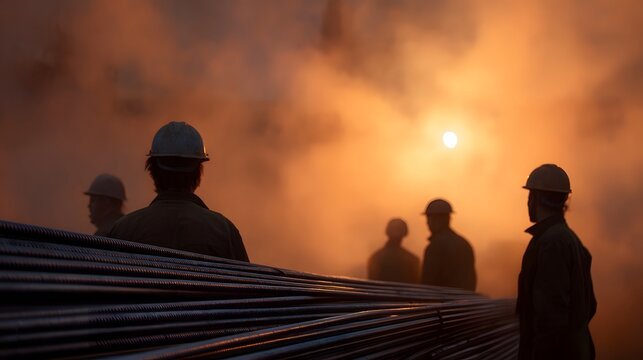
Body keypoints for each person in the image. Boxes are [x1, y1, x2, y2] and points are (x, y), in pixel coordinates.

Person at [108, 121, 249, 262]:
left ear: (152, 171)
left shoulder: (123, 230)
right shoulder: (224, 231)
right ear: (198, 174)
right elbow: (246, 281)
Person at [517, 164, 596, 360]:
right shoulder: (570, 239)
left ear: (535, 198)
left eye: (530, 196)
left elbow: (549, 319)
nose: (528, 202)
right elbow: (591, 305)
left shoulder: (551, 243)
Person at [421, 199, 476, 291]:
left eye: (429, 219)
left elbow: (428, 283)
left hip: (441, 302)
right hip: (465, 301)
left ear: (437, 219)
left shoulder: (435, 247)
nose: (427, 223)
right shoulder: (464, 244)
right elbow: (471, 279)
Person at [367, 218, 420, 283]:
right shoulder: (412, 260)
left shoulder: (375, 258)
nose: (396, 233)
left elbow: (372, 284)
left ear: (387, 231)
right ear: (405, 233)